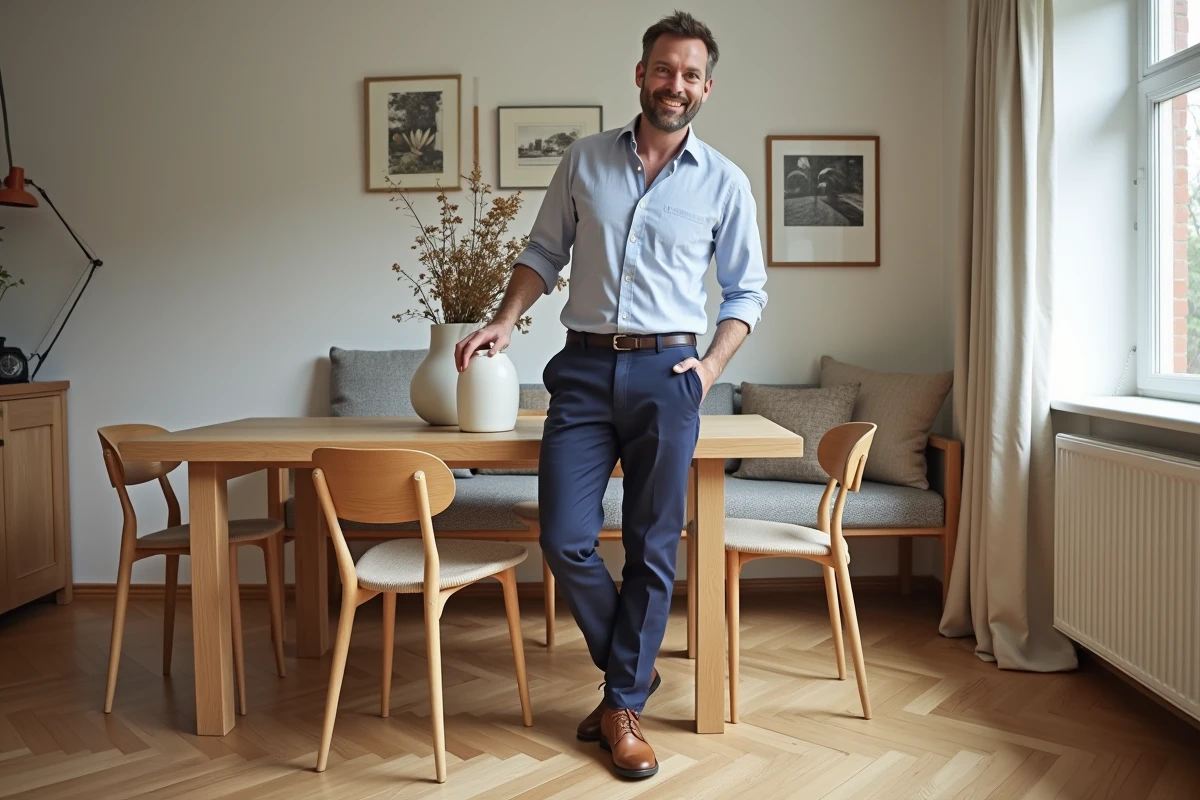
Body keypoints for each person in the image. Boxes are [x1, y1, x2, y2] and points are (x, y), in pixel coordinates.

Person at [454, 10, 767, 780]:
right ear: (640, 74)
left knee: (655, 545)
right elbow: (542, 252)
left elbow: (746, 292)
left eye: (691, 74)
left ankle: (620, 706)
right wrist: (502, 320)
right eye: (664, 69)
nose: (676, 85)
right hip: (585, 370)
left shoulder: (726, 181)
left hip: (670, 375)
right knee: (564, 537)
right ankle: (634, 675)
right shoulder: (584, 160)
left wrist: (711, 367)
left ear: (707, 87)